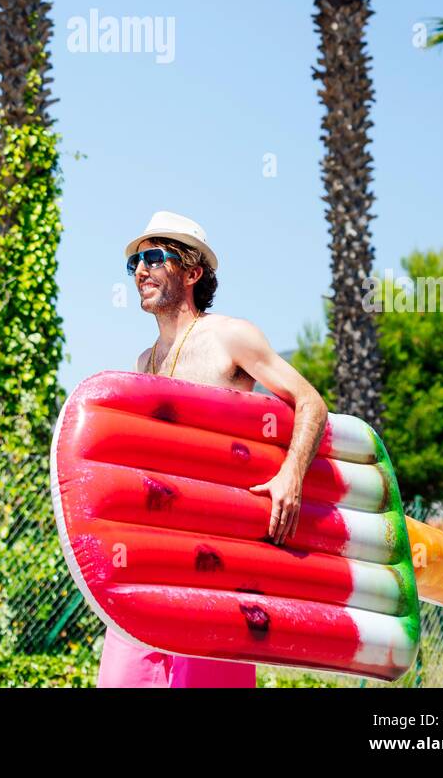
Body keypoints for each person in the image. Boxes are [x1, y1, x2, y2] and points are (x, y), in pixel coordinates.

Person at [97, 210, 329, 689]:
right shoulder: (144, 362)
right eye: (135, 262)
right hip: (153, 556)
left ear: (192, 271)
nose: (140, 269)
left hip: (218, 559)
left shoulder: (230, 336)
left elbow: (310, 402)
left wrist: (291, 474)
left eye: (155, 257)